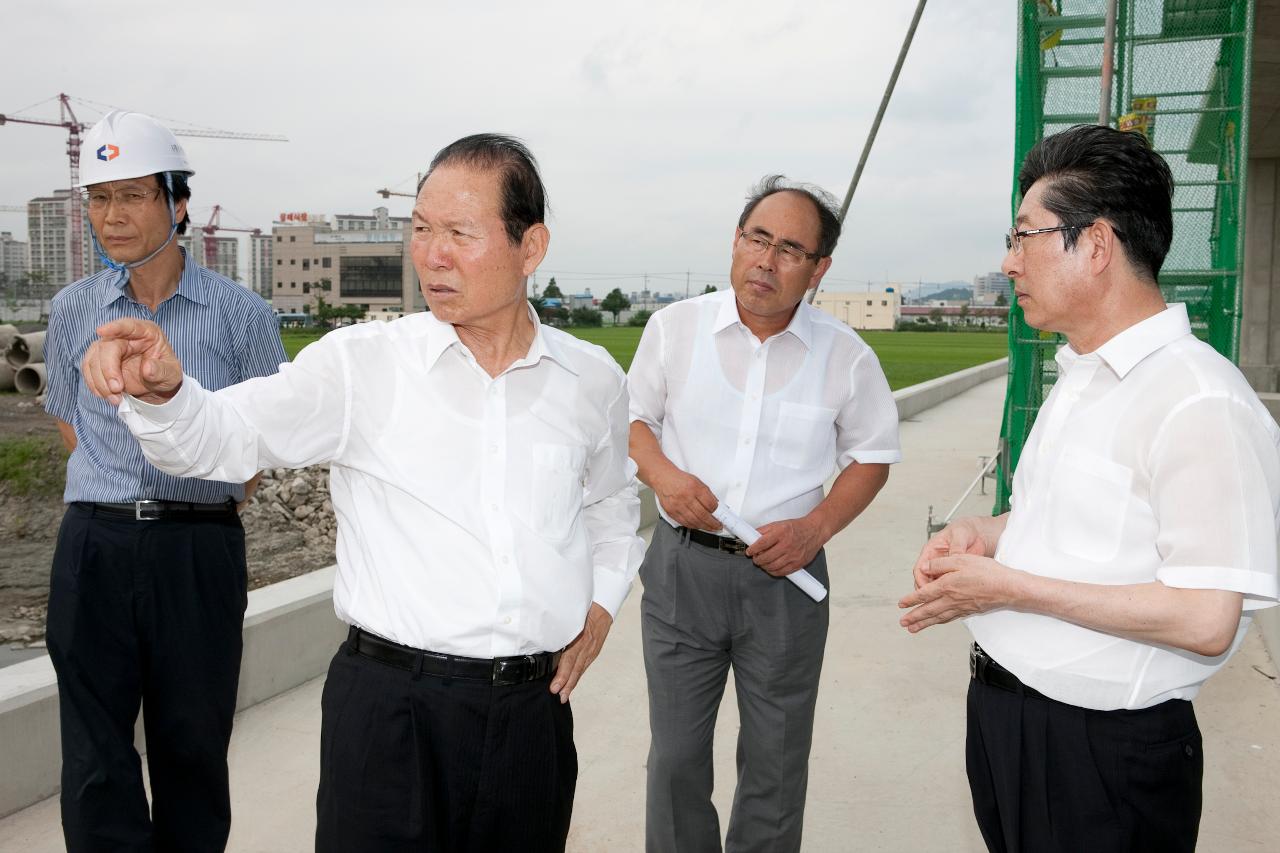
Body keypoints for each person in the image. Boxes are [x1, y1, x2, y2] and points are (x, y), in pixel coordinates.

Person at [82, 133, 643, 853]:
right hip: (390, 715)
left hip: (532, 720)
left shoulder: (590, 379)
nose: (432, 255)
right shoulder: (362, 366)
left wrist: (600, 604)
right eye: (422, 229)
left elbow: (612, 503)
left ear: (529, 246)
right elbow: (224, 434)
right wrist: (165, 394)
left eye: (460, 235)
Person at [900, 124, 1280, 853]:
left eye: (1024, 237)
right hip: (1012, 721)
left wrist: (1007, 586)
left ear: (1095, 244)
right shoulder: (1080, 376)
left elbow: (1206, 617)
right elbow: (1070, 521)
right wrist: (988, 534)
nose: (1009, 263)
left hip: (1103, 756)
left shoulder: (1200, 402)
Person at [628, 175, 901, 852]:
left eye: (789, 249)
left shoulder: (846, 356)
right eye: (757, 238)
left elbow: (872, 456)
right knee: (676, 758)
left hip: (787, 580)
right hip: (681, 572)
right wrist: (665, 477)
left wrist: (817, 527)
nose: (766, 260)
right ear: (735, 240)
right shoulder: (674, 329)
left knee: (776, 763)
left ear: (818, 268)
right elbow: (633, 421)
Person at [42, 110, 285, 852]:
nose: (111, 217)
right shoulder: (72, 310)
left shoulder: (244, 316)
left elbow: (256, 450)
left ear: (179, 202)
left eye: (133, 196)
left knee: (193, 744)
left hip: (197, 550)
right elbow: (68, 422)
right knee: (94, 755)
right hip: (95, 545)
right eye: (98, 199)